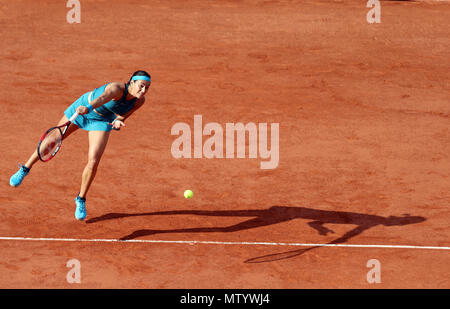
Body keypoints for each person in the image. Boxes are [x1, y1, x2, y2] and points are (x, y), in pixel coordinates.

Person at [9, 70, 151, 221]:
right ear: (132, 82)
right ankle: (25, 168)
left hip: (101, 121)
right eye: (141, 86)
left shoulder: (139, 101)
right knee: (54, 139)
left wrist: (119, 120)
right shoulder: (116, 88)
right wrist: (88, 109)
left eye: (147, 88)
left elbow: (125, 114)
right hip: (83, 108)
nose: (143, 90)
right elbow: (102, 98)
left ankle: (80, 199)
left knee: (94, 160)